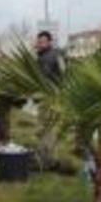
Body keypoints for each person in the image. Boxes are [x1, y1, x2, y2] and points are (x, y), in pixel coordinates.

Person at [35, 31, 64, 170]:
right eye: (39, 41)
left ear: (49, 42)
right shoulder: (41, 56)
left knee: (48, 129)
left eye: (43, 41)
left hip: (51, 97)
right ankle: (46, 158)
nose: (40, 44)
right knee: (44, 128)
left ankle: (49, 161)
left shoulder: (53, 56)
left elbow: (50, 76)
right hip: (45, 97)